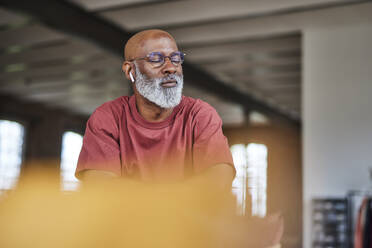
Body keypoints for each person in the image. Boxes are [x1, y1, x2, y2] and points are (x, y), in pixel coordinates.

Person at [75, 29, 235, 188]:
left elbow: (218, 181)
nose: (171, 68)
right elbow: (100, 186)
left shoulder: (199, 114)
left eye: (175, 58)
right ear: (130, 70)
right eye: (156, 59)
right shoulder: (108, 118)